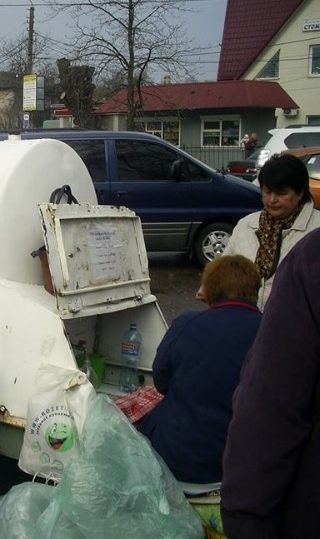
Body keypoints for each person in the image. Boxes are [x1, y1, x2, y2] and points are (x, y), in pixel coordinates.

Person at [221, 229, 320, 539]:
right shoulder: (250, 224)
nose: (273, 199)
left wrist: (246, 519)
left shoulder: (311, 258)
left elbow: (270, 409)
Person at [135, 255, 262, 484]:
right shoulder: (271, 333)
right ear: (256, 290)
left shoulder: (188, 323)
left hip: (175, 459)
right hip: (237, 466)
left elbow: (161, 382)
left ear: (209, 288)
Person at [223, 152, 320, 309]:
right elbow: (225, 272)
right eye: (267, 192)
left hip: (296, 328)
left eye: (281, 193)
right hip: (247, 322)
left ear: (300, 192)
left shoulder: (316, 230)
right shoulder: (246, 226)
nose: (272, 200)